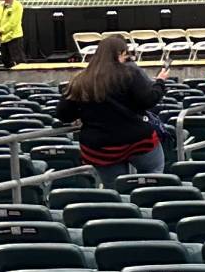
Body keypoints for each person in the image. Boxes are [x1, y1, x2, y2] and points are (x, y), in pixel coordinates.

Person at [56, 32, 168, 185]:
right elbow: (148, 100)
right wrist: (160, 82)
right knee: (154, 175)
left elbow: (63, 114)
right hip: (137, 141)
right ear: (119, 54)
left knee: (115, 188)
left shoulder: (80, 79)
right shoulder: (130, 74)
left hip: (101, 149)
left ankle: (121, 207)